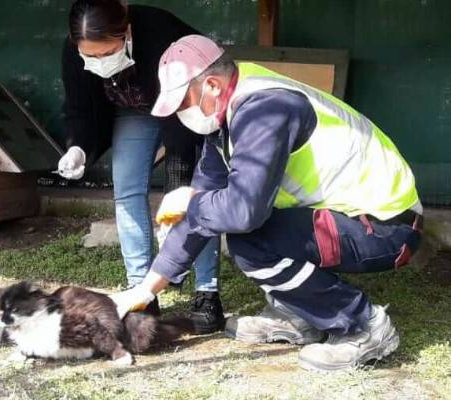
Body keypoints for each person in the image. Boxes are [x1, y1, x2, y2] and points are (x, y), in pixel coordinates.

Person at [110, 34, 423, 371]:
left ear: (212, 86)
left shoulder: (264, 108)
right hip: (353, 216)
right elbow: (202, 213)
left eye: (183, 103)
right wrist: (145, 289)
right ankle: (301, 315)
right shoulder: (229, 112)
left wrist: (191, 201)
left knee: (251, 241)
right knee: (245, 228)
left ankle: (363, 325)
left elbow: (242, 211)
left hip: (387, 227)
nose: (181, 115)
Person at [57, 0, 225, 332]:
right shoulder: (74, 50)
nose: (100, 62)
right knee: (127, 189)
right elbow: (79, 106)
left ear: (127, 32)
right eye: (91, 56)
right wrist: (77, 146)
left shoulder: (159, 33)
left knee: (194, 198)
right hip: (131, 110)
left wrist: (177, 190)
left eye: (108, 54)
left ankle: (207, 291)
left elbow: (181, 132)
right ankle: (141, 293)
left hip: (183, 105)